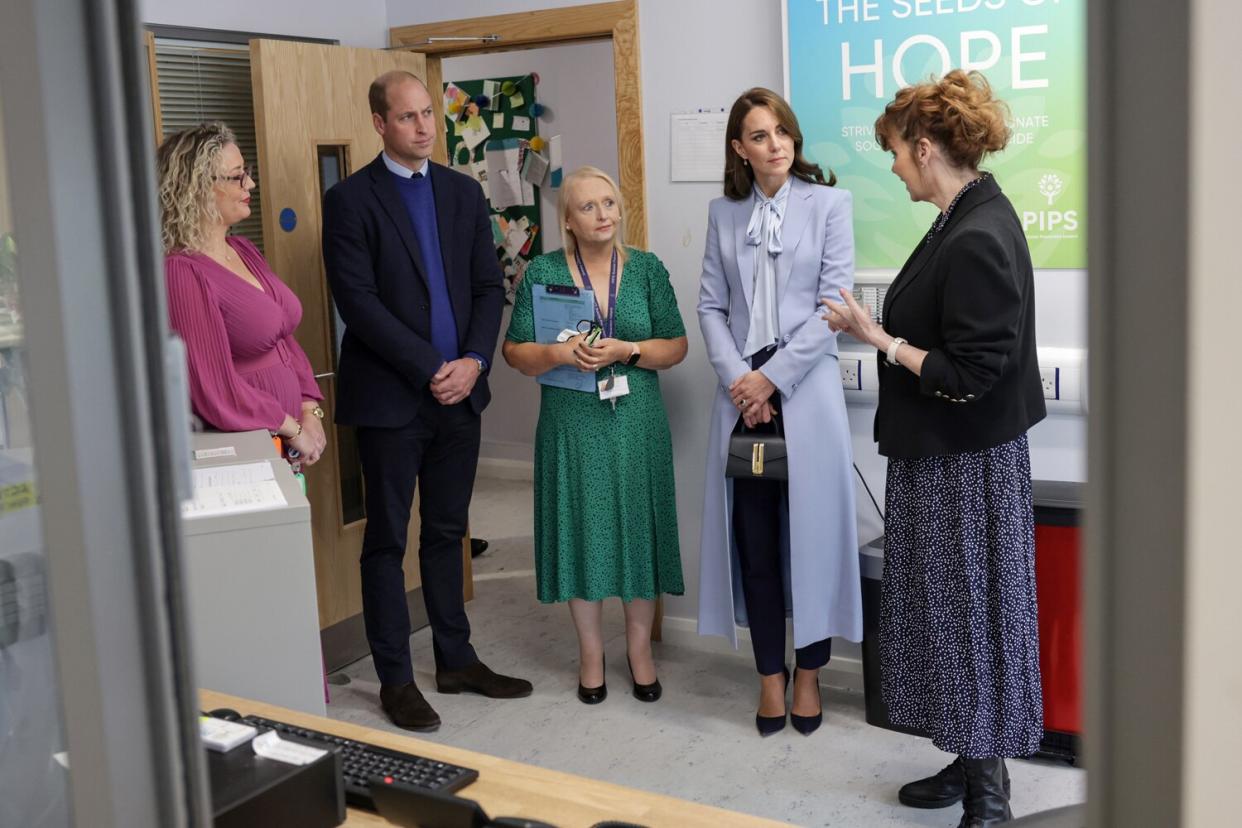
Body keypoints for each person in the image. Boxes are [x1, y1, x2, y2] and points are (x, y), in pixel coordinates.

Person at [821, 69, 1045, 827]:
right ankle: (968, 752)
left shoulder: (977, 231)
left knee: (969, 617)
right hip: (947, 453)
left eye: (893, 154)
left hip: (964, 461)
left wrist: (879, 340)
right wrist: (874, 333)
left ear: (924, 149)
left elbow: (973, 372)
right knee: (950, 616)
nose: (890, 167)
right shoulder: (966, 215)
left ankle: (990, 790)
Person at [321, 70, 530, 732]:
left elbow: (486, 288)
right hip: (390, 401)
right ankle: (395, 679)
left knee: (447, 533)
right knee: (386, 541)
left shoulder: (462, 193)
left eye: (429, 115)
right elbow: (359, 303)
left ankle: (457, 659)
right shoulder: (351, 200)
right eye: (407, 117)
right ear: (379, 123)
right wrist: (432, 366)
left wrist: (471, 362)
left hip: (459, 398)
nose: (423, 127)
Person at [697, 88, 861, 737]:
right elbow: (710, 306)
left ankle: (810, 676)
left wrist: (771, 378)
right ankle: (770, 678)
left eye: (782, 132)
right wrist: (742, 380)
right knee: (755, 541)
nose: (776, 144)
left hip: (804, 394)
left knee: (812, 540)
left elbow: (834, 306)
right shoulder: (723, 212)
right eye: (760, 135)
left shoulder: (830, 205)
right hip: (743, 399)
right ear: (740, 147)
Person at [502, 166, 687, 704]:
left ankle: (638, 652)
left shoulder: (648, 270)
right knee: (581, 534)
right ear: (568, 219)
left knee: (637, 534)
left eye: (609, 203)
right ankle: (589, 654)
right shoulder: (541, 273)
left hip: (636, 424)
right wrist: (559, 353)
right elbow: (514, 353)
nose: (604, 214)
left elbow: (675, 346)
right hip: (571, 424)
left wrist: (627, 350)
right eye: (589, 206)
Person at [158, 121, 326, 464]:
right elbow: (212, 386)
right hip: (246, 447)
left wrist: (309, 409)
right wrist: (292, 427)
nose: (249, 183)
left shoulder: (243, 248)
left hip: (284, 439)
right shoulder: (181, 271)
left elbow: (283, 338)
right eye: (237, 176)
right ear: (198, 188)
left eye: (245, 172)